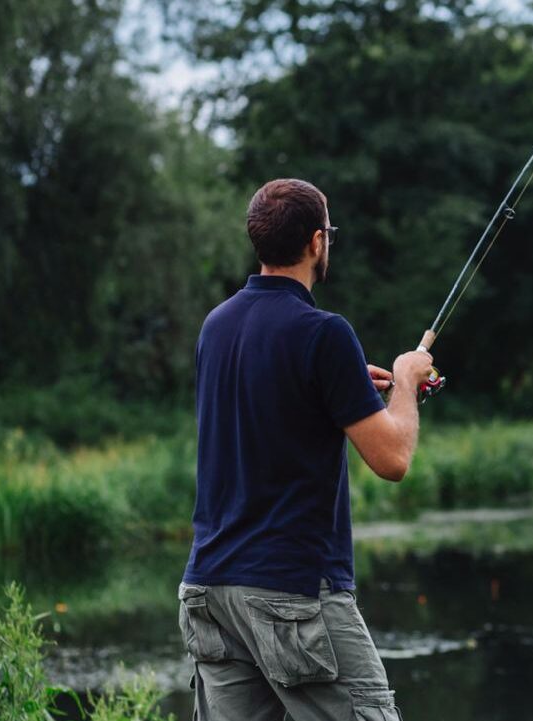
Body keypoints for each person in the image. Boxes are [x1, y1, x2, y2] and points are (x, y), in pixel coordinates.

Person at [177, 178, 431, 721]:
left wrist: (340, 388)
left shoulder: (215, 327)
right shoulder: (325, 333)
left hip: (209, 589)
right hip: (292, 589)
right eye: (330, 234)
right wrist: (407, 380)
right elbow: (393, 460)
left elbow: (273, 402)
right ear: (318, 242)